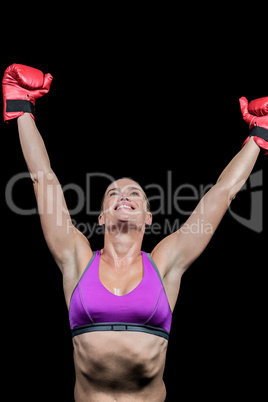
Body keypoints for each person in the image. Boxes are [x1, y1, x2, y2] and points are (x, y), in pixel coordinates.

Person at [3, 64, 267, 402]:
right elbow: (43, 177)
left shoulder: (165, 263)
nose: (124, 197)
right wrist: (22, 106)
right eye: (113, 193)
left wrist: (259, 135)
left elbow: (221, 193)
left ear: (147, 218)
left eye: (134, 195)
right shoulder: (77, 258)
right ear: (100, 217)